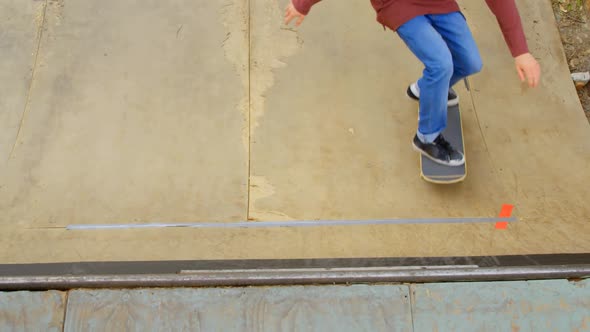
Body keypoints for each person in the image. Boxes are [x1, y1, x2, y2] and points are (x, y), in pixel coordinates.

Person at [285, 0, 541, 166]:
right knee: (441, 63)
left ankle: (425, 88)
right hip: (398, 4)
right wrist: (303, 4)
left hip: (440, 4)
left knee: (471, 62)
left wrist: (520, 51)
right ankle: (427, 137)